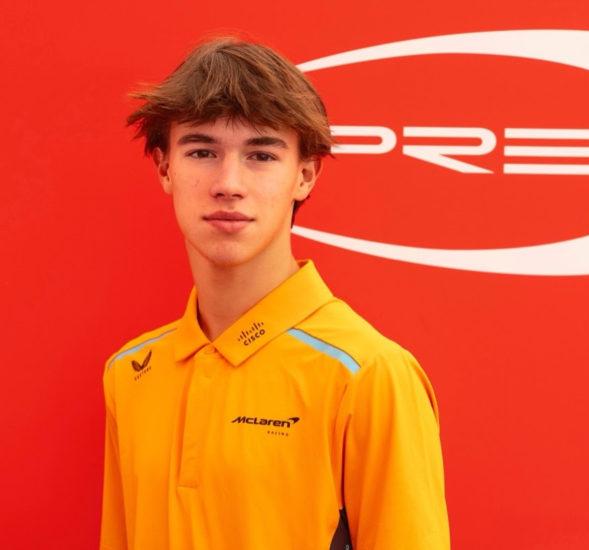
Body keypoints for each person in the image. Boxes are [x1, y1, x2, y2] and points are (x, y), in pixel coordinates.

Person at [99, 35, 450, 550]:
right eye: (202, 151)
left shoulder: (368, 374)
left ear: (304, 176)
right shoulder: (131, 372)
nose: (228, 183)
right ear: (165, 168)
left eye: (261, 155)